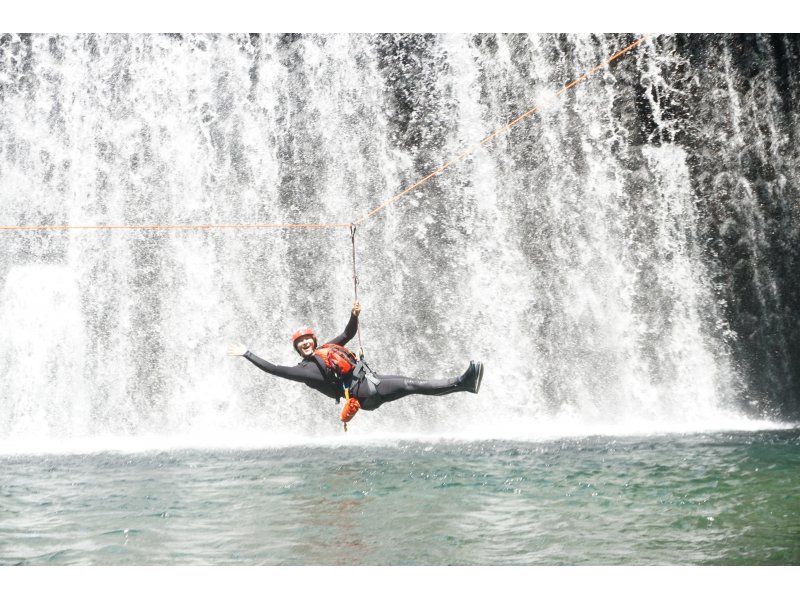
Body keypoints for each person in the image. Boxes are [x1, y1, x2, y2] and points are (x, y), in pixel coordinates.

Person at [227, 301, 483, 415]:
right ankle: (463, 382)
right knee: (410, 385)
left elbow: (349, 333)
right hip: (364, 395)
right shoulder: (305, 370)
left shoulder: (326, 349)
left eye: (308, 339)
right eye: (300, 343)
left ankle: (464, 384)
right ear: (297, 348)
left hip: (370, 383)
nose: (305, 343)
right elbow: (274, 369)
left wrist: (354, 314)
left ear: (314, 341)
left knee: (411, 385)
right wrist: (247, 354)